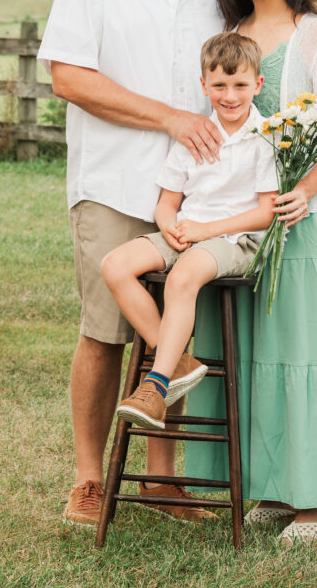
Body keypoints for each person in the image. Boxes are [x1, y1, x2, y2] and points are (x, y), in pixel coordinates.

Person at [37, 0, 223, 527]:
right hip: (113, 181)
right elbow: (69, 78)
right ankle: (89, 479)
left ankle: (163, 478)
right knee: (104, 332)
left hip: (196, 192)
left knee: (168, 332)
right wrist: (170, 118)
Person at [185, 0, 317, 545]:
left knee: (306, 351)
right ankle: (271, 483)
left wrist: (303, 192)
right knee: (254, 353)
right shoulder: (230, 33)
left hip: (304, 220)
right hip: (240, 224)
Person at [101, 32, 278, 431]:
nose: (229, 96)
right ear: (204, 85)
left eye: (240, 86)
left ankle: (156, 386)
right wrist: (170, 227)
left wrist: (205, 230)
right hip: (190, 231)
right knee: (116, 265)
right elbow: (166, 203)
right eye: (219, 86)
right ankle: (176, 357)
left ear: (258, 85)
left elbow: (266, 213)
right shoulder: (195, 135)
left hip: (236, 239)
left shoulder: (266, 136)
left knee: (182, 275)